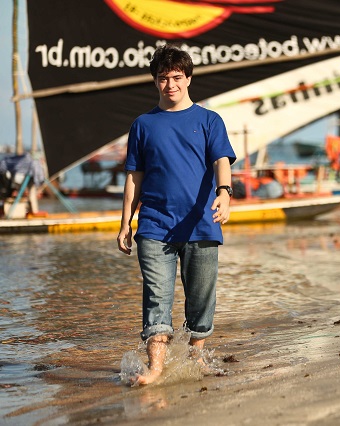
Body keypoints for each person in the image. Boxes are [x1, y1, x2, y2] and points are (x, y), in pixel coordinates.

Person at [117, 45, 236, 386]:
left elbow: (221, 162)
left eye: (176, 78)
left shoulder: (209, 120)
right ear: (155, 81)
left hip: (202, 223)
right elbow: (134, 177)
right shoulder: (143, 125)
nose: (170, 85)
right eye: (163, 78)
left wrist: (224, 194)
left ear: (189, 78)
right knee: (156, 296)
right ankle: (155, 368)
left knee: (201, 297)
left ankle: (196, 359)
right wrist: (125, 221)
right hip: (154, 224)